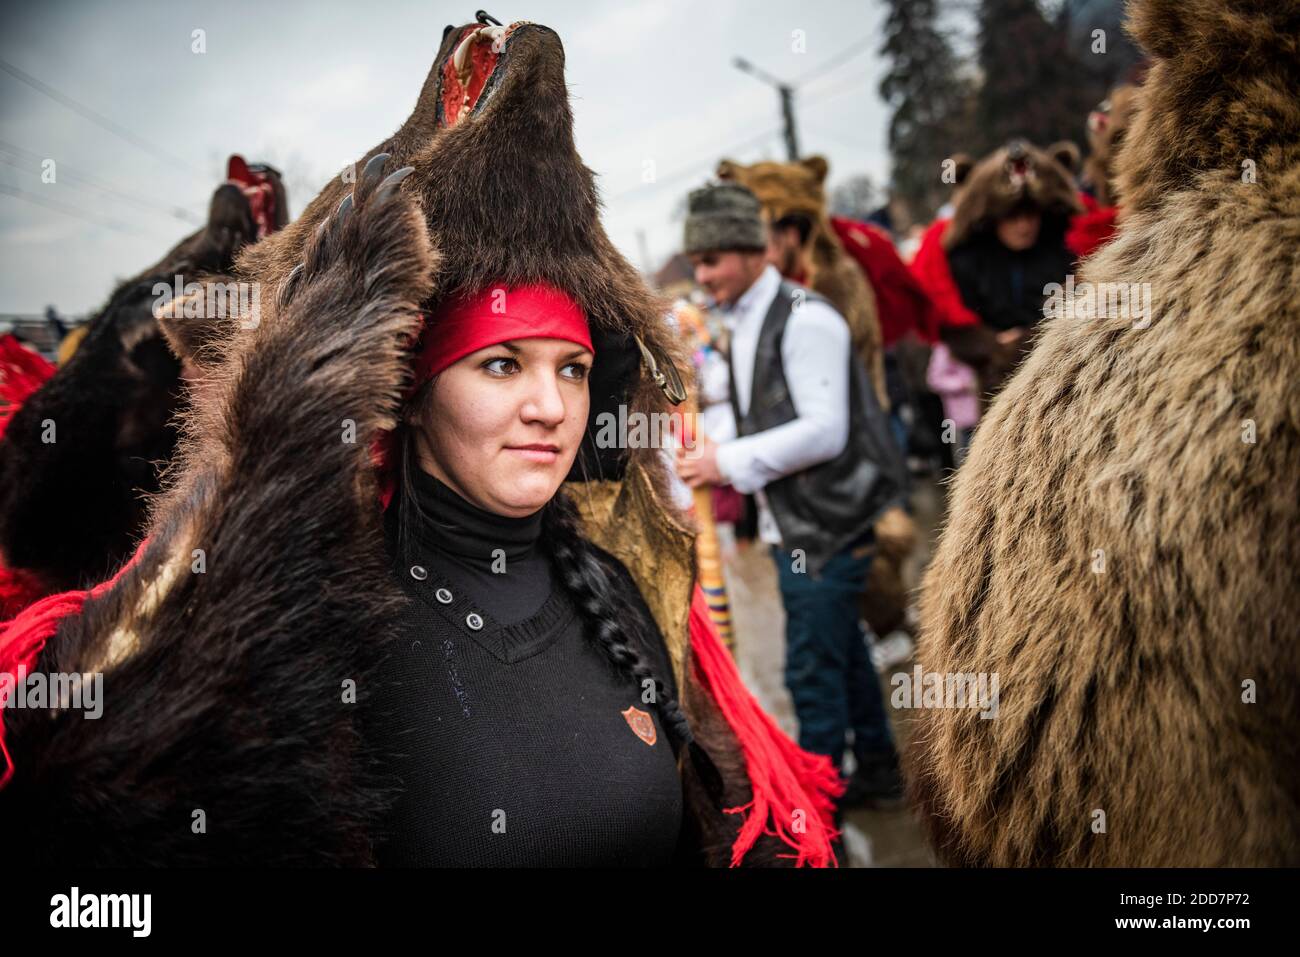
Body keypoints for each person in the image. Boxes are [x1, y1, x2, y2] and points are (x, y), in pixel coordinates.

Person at [0, 14, 844, 868]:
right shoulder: (314, 639)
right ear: (408, 392)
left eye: (575, 369)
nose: (551, 405)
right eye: (503, 365)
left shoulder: (617, 591)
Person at [674, 182, 907, 808]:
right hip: (798, 526)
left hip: (828, 527)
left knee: (812, 671)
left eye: (712, 260)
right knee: (846, 653)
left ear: (753, 252)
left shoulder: (807, 320)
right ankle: (880, 772)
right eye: (696, 262)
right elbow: (753, 413)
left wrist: (723, 462)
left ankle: (817, 812)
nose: (702, 274)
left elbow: (823, 432)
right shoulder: (746, 318)